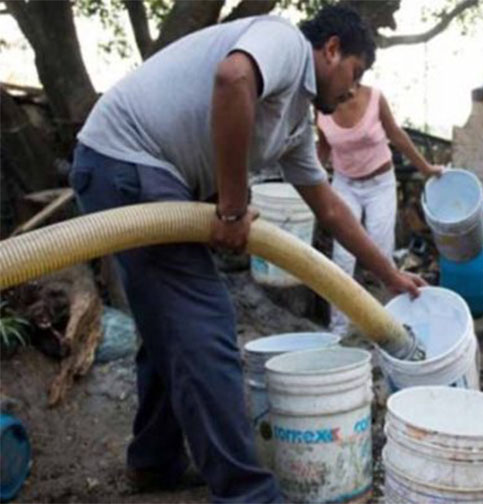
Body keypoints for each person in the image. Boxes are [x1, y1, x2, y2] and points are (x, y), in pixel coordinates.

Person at [70, 6, 424, 502]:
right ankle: (247, 494)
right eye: (355, 72)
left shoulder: (295, 124)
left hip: (130, 170)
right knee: (203, 322)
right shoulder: (283, 42)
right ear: (331, 49)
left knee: (168, 323)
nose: (352, 90)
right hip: (127, 163)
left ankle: (155, 460)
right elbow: (233, 76)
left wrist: (390, 275)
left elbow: (329, 209)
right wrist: (234, 209)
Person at [316, 84, 443, 336]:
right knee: (342, 257)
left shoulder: (374, 98)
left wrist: (425, 167)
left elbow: (396, 135)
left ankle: (387, 327)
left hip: (380, 184)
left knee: (382, 257)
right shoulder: (322, 105)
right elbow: (323, 146)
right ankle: (337, 331)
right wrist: (307, 180)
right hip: (344, 184)